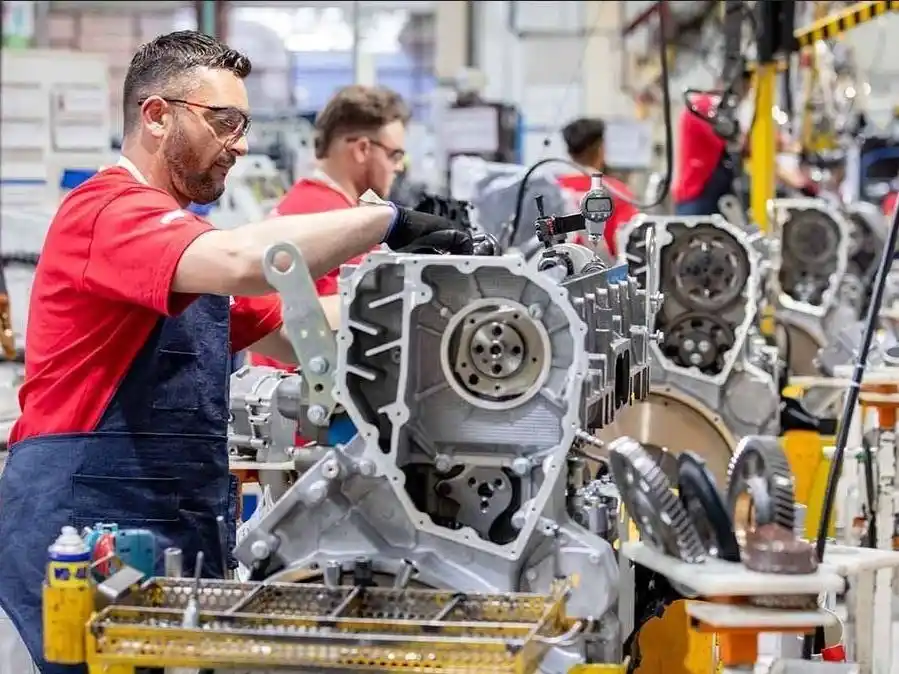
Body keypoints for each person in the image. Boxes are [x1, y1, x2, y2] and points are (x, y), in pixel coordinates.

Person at [0, 30, 470, 674]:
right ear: (158, 116)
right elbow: (252, 261)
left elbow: (300, 324)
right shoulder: (107, 210)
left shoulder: (189, 248)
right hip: (84, 529)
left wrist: (445, 306)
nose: (242, 143)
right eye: (225, 122)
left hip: (163, 523)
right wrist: (385, 220)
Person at [250, 84, 410, 370]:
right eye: (394, 155)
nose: (398, 167)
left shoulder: (302, 202)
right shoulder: (344, 227)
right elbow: (371, 322)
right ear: (362, 149)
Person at [556, 117, 639, 257]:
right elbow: (629, 243)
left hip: (552, 274)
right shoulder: (617, 193)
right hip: (602, 274)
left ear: (569, 153)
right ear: (601, 149)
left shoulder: (553, 189)